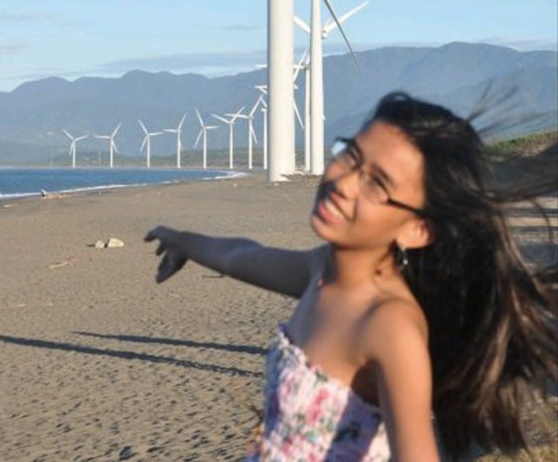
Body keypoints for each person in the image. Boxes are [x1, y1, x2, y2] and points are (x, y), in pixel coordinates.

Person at [145, 92, 556, 461]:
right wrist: (184, 241)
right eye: (350, 156)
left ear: (417, 229)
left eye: (376, 183)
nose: (343, 183)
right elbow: (244, 256)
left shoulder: (388, 325)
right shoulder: (321, 271)